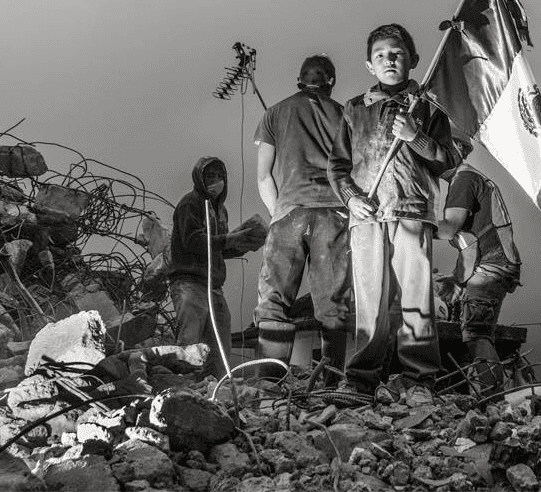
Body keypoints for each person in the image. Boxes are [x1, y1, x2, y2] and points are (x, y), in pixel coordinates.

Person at [328, 23, 458, 405]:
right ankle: (361, 379)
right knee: (370, 300)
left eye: (397, 54)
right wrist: (350, 198)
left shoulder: (428, 107)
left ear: (413, 60)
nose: (389, 60)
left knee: (417, 297)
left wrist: (416, 137)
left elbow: (448, 162)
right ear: (369, 65)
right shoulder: (355, 109)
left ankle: (420, 379)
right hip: (367, 215)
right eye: (380, 55)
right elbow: (338, 166)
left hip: (411, 211)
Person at [251, 55, 349, 383]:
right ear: (331, 82)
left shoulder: (274, 113)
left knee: (274, 301)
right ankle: (331, 384)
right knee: (333, 306)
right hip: (334, 214)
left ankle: (269, 385)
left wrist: (277, 213)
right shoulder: (345, 115)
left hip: (289, 213)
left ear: (299, 80)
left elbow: (263, 176)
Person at [166, 157, 267, 379]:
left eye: (220, 176)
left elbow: (217, 249)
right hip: (190, 283)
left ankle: (216, 387)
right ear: (199, 179)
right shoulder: (190, 204)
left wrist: (242, 245)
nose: (216, 181)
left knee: (220, 344)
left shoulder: (220, 211)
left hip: (213, 286)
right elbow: (193, 242)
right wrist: (230, 239)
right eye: (210, 176)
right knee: (190, 341)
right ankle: (183, 385)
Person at [438, 132, 522, 396]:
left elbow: (449, 229)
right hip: (493, 265)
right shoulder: (469, 179)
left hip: (491, 267)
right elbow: (471, 241)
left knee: (476, 334)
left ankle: (493, 400)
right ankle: (493, 398)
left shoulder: (464, 180)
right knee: (479, 334)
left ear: (454, 148)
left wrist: (409, 223)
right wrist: (457, 278)